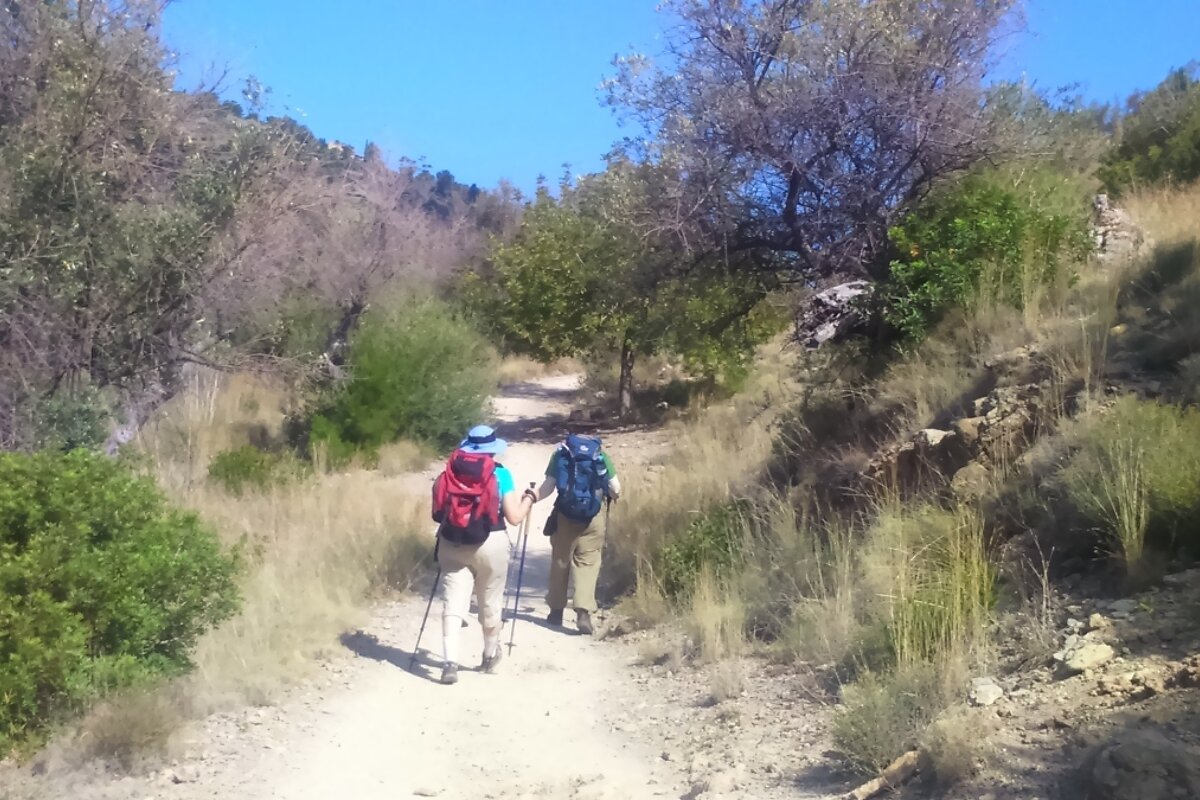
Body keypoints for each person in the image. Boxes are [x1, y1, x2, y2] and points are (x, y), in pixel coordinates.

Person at [432, 424, 535, 685]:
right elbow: (514, 517)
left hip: (452, 542)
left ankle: (449, 663)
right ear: (492, 450)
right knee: (490, 601)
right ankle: (489, 656)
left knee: (453, 603)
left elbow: (437, 512)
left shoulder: (449, 473)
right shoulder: (501, 475)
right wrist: (529, 500)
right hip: (491, 542)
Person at [527, 433, 621, 635]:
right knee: (588, 562)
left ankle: (556, 610)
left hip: (565, 515)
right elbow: (616, 488)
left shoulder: (561, 454)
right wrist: (611, 496)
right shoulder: (600, 455)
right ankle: (583, 611)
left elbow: (549, 486)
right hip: (593, 516)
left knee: (561, 560)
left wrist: (531, 498)